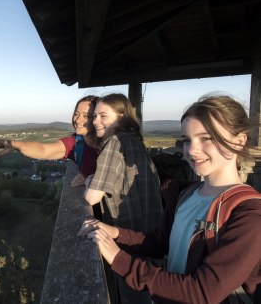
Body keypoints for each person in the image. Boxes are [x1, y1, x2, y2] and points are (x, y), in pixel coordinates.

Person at [79, 93, 261, 304]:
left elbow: (202, 292)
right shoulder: (186, 195)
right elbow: (160, 243)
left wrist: (120, 259)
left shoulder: (249, 215)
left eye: (207, 138)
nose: (192, 150)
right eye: (187, 140)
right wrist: (114, 232)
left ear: (239, 141)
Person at [84, 93, 163, 304]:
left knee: (133, 296)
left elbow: (92, 197)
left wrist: (88, 180)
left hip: (128, 235)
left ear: (121, 116)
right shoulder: (134, 141)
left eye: (103, 116)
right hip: (150, 235)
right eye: (94, 116)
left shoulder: (114, 143)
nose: (95, 121)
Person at [0, 95, 99, 187]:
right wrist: (15, 145)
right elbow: (43, 150)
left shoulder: (110, 144)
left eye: (86, 116)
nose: (77, 120)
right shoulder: (76, 143)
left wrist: (92, 177)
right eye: (76, 114)